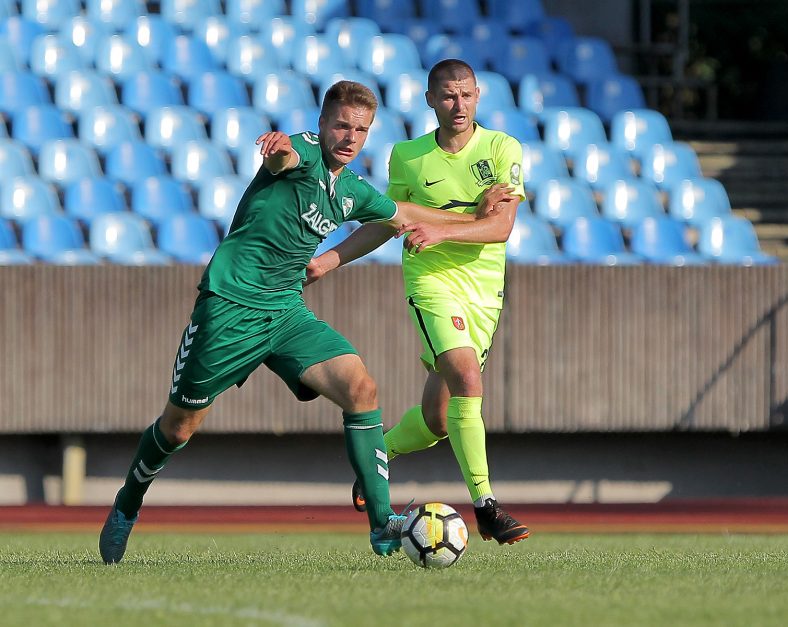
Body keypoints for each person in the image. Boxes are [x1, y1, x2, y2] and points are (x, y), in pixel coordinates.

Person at [98, 80, 512, 564]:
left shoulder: (351, 188)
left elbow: (403, 214)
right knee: (179, 428)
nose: (350, 136)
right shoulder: (306, 152)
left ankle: (383, 524)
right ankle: (127, 503)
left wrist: (466, 219)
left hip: (286, 311)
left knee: (362, 389)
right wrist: (278, 150)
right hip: (230, 307)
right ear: (322, 123)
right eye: (341, 124)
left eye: (361, 129)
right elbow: (283, 158)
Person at [307, 60, 529, 545]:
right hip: (431, 282)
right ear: (431, 99)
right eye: (448, 96)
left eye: (466, 95)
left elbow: (501, 228)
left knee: (437, 420)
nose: (459, 105)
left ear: (478, 95)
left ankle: (377, 455)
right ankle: (487, 507)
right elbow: (390, 221)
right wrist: (330, 260)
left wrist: (445, 226)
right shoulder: (408, 156)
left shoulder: (501, 148)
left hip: (484, 291)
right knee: (467, 377)